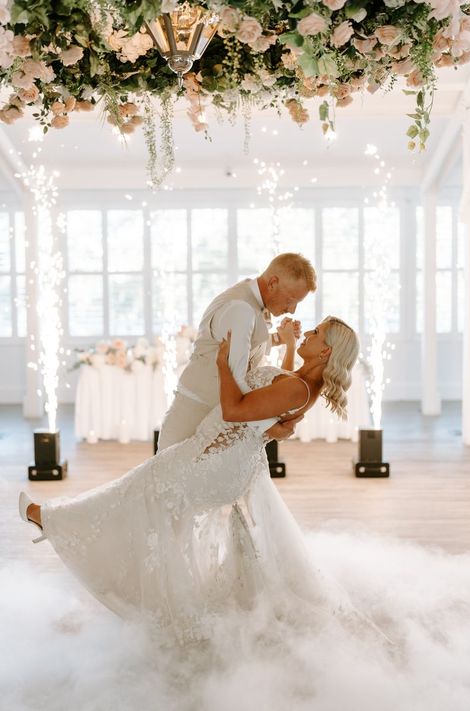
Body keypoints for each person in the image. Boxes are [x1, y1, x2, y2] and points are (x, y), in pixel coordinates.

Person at [19, 316, 359, 643]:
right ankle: (66, 529)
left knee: (136, 494)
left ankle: (52, 521)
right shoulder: (301, 382)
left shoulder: (299, 389)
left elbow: (234, 410)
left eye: (315, 333)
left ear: (326, 351)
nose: (307, 334)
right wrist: (286, 344)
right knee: (142, 501)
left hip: (214, 462)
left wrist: (224, 365)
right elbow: (277, 395)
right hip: (215, 456)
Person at [157, 252, 317, 451]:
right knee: (172, 477)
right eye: (291, 299)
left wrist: (279, 339)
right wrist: (271, 428)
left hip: (217, 414)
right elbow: (235, 378)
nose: (292, 310)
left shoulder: (249, 299)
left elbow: (247, 343)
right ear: (273, 282)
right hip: (196, 413)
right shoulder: (241, 310)